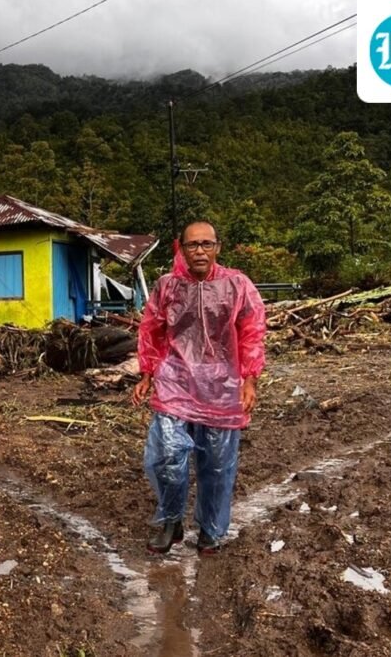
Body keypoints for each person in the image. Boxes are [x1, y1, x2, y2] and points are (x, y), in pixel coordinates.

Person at [131, 222, 266, 556]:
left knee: (217, 463)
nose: (200, 251)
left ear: (218, 247)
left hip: (222, 384)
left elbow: (252, 331)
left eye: (207, 244)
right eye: (193, 245)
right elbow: (152, 329)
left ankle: (209, 528)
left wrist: (249, 380)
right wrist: (147, 373)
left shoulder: (237, 285)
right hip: (175, 380)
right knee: (166, 456)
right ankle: (171, 521)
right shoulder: (167, 286)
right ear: (182, 248)